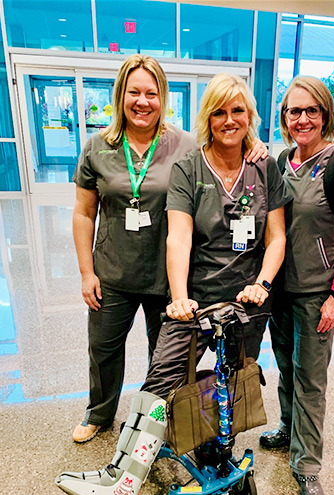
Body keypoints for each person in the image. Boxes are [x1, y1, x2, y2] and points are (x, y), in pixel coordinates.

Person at [56, 72, 286, 495]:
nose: (228, 119)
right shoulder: (188, 166)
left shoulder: (265, 166)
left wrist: (262, 283)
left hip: (249, 301)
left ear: (250, 116)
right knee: (163, 376)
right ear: (206, 117)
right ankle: (125, 476)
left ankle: (220, 451)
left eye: (237, 110)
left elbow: (276, 236)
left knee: (234, 377)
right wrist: (179, 297)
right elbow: (177, 239)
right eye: (218, 111)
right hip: (194, 298)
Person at [71, 55, 267, 443]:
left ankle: (155, 420)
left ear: (163, 98)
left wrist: (254, 143)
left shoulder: (185, 145)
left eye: (152, 93)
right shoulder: (98, 147)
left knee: (163, 359)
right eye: (134, 93)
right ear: (120, 96)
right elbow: (83, 213)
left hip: (166, 278)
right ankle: (100, 413)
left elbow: (225, 142)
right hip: (112, 272)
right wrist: (86, 271)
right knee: (103, 349)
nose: (143, 102)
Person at [259, 76, 334, 495]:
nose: (301, 119)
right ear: (284, 118)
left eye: (311, 111)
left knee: (311, 380)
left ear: (325, 115)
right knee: (286, 365)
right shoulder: (284, 160)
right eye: (293, 111)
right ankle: (288, 429)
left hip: (317, 293)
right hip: (281, 290)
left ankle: (307, 466)